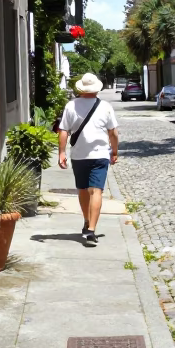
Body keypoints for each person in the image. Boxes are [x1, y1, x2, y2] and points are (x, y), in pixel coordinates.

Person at [57, 72, 119, 245]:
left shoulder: (71, 105)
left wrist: (61, 152)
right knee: (96, 191)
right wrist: (114, 151)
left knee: (83, 189)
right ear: (97, 89)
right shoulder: (105, 106)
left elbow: (63, 130)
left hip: (79, 155)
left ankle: (86, 221)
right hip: (100, 155)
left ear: (81, 89)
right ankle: (91, 229)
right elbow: (113, 133)